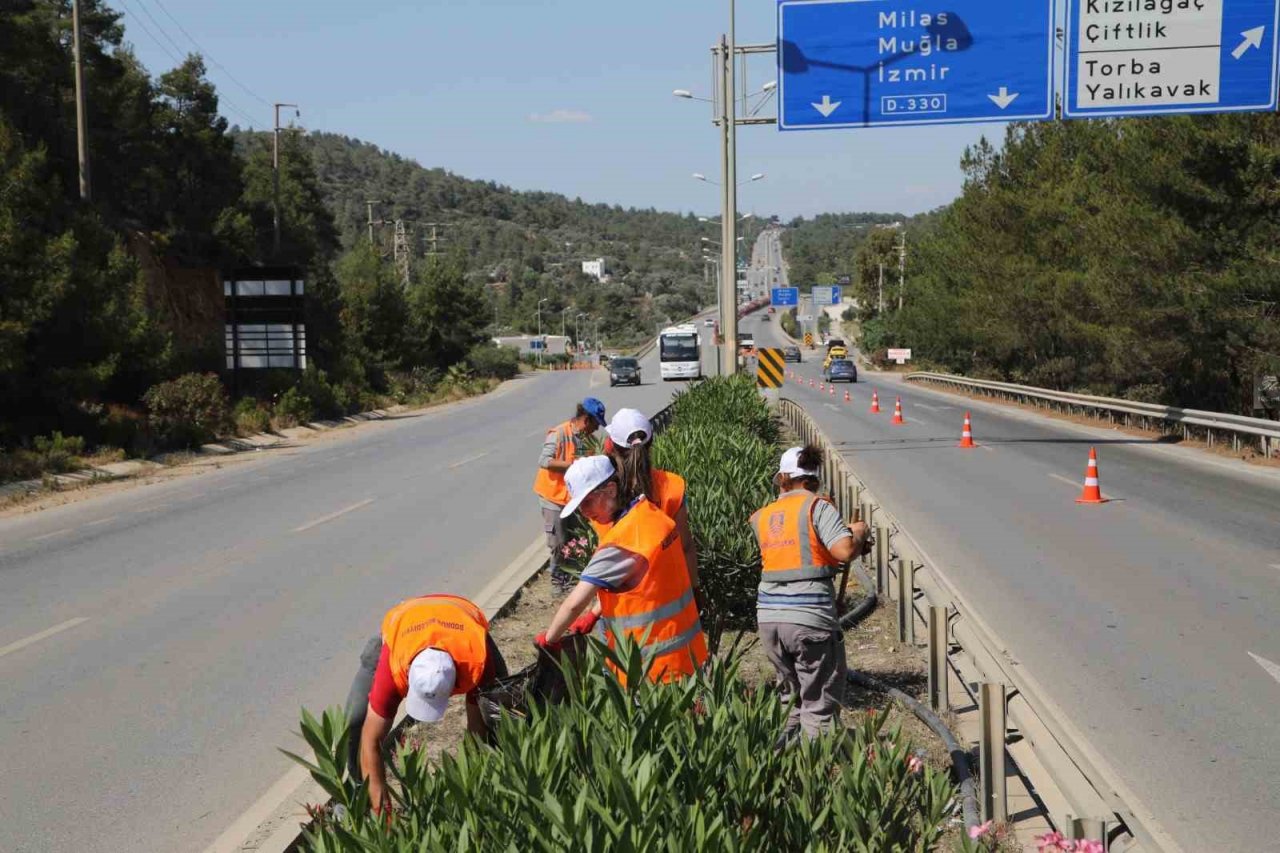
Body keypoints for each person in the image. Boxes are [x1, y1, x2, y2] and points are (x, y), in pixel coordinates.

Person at [538, 456, 707, 684]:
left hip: (651, 673)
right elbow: (646, 583)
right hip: (688, 656)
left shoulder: (621, 544)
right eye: (579, 507)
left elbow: (574, 604)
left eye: (587, 502)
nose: (585, 513)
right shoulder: (651, 514)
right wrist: (595, 613)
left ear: (610, 489)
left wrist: (550, 639)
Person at [750, 446, 872, 742]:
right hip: (809, 620)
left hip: (769, 619)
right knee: (818, 706)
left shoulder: (762, 517)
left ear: (782, 479)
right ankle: (816, 766)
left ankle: (782, 758)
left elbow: (798, 553)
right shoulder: (817, 508)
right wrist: (858, 532)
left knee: (790, 699)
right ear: (814, 480)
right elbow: (843, 550)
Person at [343, 594, 507, 813]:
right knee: (355, 719)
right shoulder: (393, 667)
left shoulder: (476, 661)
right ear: (409, 677)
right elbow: (371, 740)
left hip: (464, 624)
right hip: (404, 625)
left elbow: (477, 729)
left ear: (456, 680)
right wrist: (384, 814)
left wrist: (468, 790)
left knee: (497, 716)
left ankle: (490, 789)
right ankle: (357, 792)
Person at [593, 408, 699, 589]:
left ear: (611, 446)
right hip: (670, 590)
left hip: (623, 596)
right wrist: (695, 589)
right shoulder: (673, 485)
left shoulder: (603, 492)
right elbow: (686, 546)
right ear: (651, 442)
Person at [533, 397, 607, 590]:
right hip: (553, 496)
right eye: (596, 424)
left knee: (575, 539)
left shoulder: (590, 441)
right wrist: (573, 465)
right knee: (558, 541)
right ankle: (557, 581)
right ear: (586, 420)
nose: (596, 429)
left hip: (574, 498)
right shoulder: (559, 434)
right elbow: (544, 461)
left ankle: (572, 578)